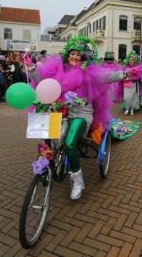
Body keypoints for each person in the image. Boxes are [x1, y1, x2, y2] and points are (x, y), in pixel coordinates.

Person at [28, 35, 125, 200]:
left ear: (83, 57)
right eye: (73, 53)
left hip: (81, 113)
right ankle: (47, 166)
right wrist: (31, 70)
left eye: (79, 54)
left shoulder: (89, 72)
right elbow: (43, 84)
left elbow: (106, 77)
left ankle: (78, 182)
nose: (75, 57)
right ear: (68, 53)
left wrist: (125, 73)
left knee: (69, 143)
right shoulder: (58, 69)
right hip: (59, 110)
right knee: (48, 138)